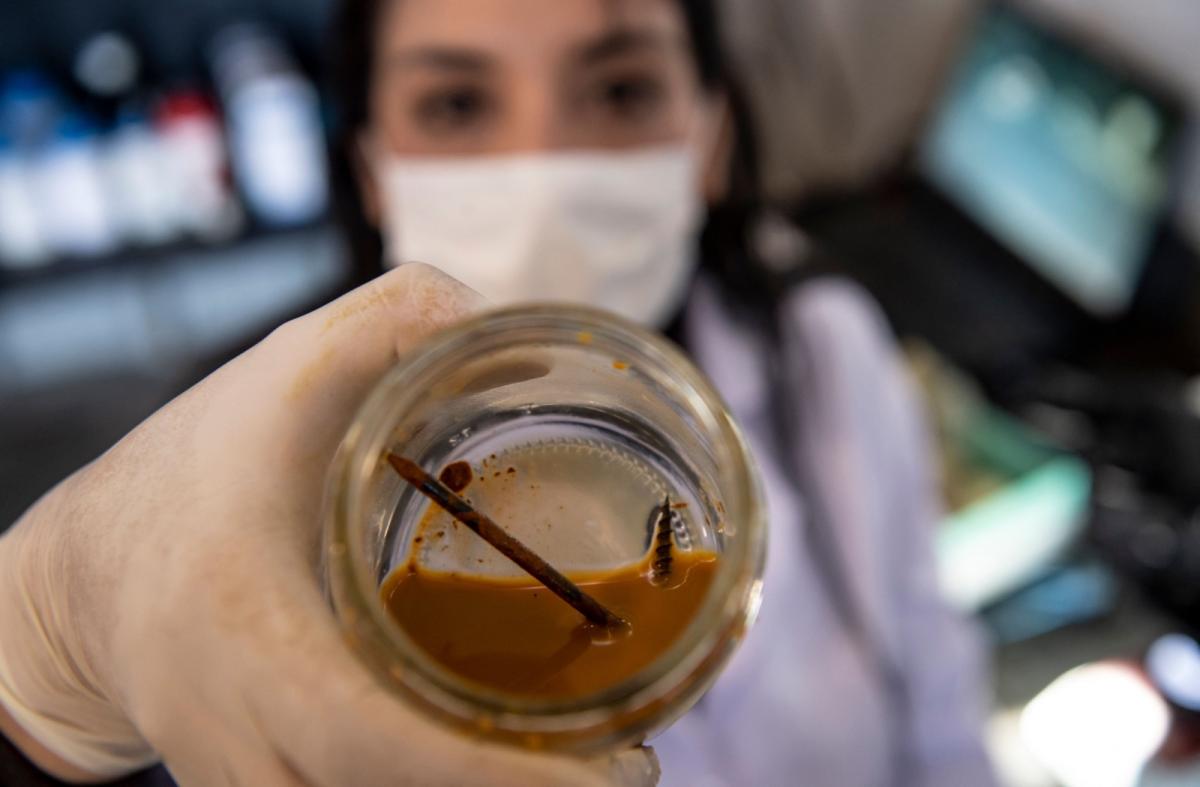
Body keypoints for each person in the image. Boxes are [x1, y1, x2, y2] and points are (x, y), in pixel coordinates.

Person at [0, 0, 996, 784]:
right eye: (458, 105)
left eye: (619, 89)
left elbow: (946, 718)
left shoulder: (824, 346)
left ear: (711, 136)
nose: (546, 166)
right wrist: (39, 668)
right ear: (373, 170)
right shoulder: (253, 484)